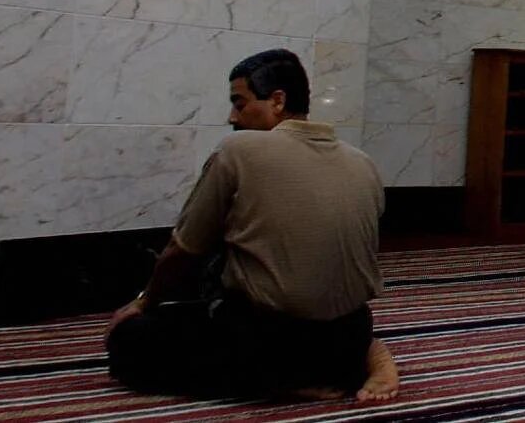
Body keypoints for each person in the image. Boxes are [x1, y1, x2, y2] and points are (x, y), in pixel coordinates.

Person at [106, 49, 400, 402]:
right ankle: (357, 359)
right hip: (349, 334)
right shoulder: (363, 162)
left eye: (240, 103)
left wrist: (143, 303)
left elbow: (182, 252)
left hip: (266, 340)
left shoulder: (238, 150)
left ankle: (274, 383)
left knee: (129, 341)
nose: (233, 116)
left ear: (277, 101)